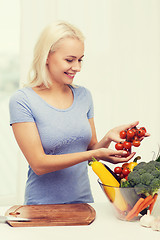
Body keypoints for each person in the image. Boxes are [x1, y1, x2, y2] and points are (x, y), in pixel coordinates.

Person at [9, 21, 148, 205]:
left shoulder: (83, 96)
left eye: (80, 59)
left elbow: (91, 150)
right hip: (41, 207)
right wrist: (93, 155)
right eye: (70, 59)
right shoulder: (22, 100)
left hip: (83, 203)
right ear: (47, 56)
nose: (77, 67)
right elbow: (39, 164)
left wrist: (108, 137)